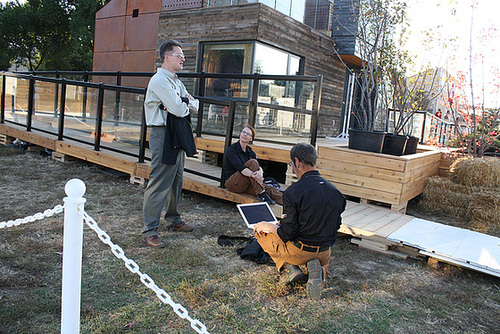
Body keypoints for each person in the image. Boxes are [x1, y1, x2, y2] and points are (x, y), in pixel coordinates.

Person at [253, 143, 346, 300]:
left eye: (291, 164)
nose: (293, 168)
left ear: (297, 162)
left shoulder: (293, 192)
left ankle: (288, 268)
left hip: (300, 251)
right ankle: (319, 270)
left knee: (261, 232)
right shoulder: (336, 193)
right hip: (324, 251)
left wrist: (267, 226)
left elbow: (286, 233)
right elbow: (334, 225)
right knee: (320, 255)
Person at [142, 40, 199, 248]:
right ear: (167, 57)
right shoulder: (159, 80)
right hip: (163, 134)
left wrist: (185, 103)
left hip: (177, 132)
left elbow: (193, 104)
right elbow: (178, 107)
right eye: (179, 55)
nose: (183, 59)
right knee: (160, 181)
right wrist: (183, 104)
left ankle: (173, 219)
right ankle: (150, 230)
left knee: (176, 179)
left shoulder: (176, 81)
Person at [223, 125, 283, 205]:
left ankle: (291, 205)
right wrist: (254, 176)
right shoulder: (232, 150)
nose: (244, 134)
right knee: (252, 162)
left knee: (270, 190)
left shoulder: (250, 151)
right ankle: (261, 193)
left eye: (248, 134)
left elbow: (259, 167)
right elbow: (241, 168)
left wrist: (260, 174)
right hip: (233, 183)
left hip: (246, 184)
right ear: (240, 134)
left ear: (251, 139)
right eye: (243, 132)